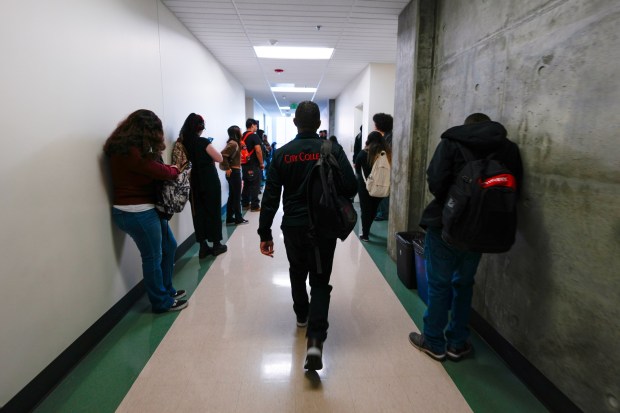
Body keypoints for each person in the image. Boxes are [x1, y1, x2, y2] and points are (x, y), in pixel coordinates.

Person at [408, 113, 523, 361]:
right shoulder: (508, 149)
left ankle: (434, 341)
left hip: (445, 224)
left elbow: (435, 181)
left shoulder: (451, 142)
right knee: (464, 284)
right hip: (482, 230)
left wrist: (453, 203)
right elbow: (515, 190)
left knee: (439, 285)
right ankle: (457, 343)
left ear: (466, 127)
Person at [258, 101, 357, 371]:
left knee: (297, 270)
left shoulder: (282, 154)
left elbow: (270, 198)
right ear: (318, 124)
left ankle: (301, 314)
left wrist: (264, 232)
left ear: (295, 123)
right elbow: (351, 185)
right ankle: (315, 340)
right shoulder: (332, 149)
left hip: (292, 226)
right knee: (321, 280)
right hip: (324, 225)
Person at [104, 109, 188, 313]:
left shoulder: (128, 146)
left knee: (169, 246)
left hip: (144, 209)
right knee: (153, 256)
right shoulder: (128, 151)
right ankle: (161, 302)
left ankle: (166, 290)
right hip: (136, 211)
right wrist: (176, 170)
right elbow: (155, 170)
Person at [180, 113, 228, 258]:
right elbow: (219, 158)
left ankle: (203, 247)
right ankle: (216, 245)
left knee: (198, 213)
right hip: (209, 181)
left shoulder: (183, 143)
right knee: (213, 211)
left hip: (193, 183)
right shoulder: (202, 142)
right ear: (200, 127)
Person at [354, 131, 392, 242]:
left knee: (366, 210)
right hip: (381, 186)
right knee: (373, 209)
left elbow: (357, 170)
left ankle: (365, 234)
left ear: (368, 140)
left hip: (365, 186)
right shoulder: (387, 154)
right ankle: (367, 228)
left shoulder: (363, 153)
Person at [220, 125, 248, 226]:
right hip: (234, 172)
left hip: (234, 172)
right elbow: (223, 154)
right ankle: (238, 218)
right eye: (240, 131)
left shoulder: (235, 143)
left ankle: (229, 218)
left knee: (232, 196)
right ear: (236, 133)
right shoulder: (233, 144)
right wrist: (227, 168)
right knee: (236, 196)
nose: (241, 132)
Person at [372, 113, 393, 221]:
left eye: (375, 123)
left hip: (387, 169)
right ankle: (381, 212)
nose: (374, 126)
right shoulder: (385, 136)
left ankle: (384, 213)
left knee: (384, 192)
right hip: (384, 168)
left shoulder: (389, 137)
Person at [240, 118, 264, 211]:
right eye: (256, 125)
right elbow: (258, 150)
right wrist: (261, 163)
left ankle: (245, 204)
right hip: (253, 165)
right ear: (252, 125)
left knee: (246, 184)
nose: (256, 127)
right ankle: (255, 206)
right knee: (255, 185)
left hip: (244, 164)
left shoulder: (242, 136)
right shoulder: (254, 136)